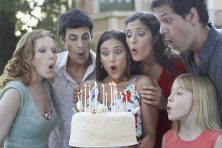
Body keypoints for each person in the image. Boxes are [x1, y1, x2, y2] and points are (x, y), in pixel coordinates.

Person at [75, 30, 159, 148]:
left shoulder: (141, 85)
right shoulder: (88, 88)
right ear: (100, 59)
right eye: (105, 53)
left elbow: (150, 136)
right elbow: (81, 135)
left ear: (128, 54)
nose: (112, 59)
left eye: (118, 51)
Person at [150, 0, 222, 124]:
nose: (161, 30)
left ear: (192, 16)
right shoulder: (182, 57)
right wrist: (164, 102)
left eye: (167, 20)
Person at [124, 12, 187, 148]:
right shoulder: (126, 69)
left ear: (155, 38)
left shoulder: (175, 63)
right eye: (128, 35)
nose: (133, 40)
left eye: (140, 34)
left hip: (173, 140)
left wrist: (165, 103)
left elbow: (192, 107)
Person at [0, 29, 58, 148]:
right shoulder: (15, 92)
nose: (51, 55)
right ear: (28, 57)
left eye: (54, 50)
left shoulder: (46, 86)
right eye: (42, 50)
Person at [48, 8, 96, 148]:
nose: (80, 45)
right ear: (63, 39)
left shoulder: (104, 67)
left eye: (85, 37)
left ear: (92, 36)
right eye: (73, 38)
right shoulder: (51, 68)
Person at [163, 73, 222, 148]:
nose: (169, 98)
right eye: (171, 92)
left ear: (198, 100)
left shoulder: (217, 140)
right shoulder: (167, 138)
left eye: (178, 93)